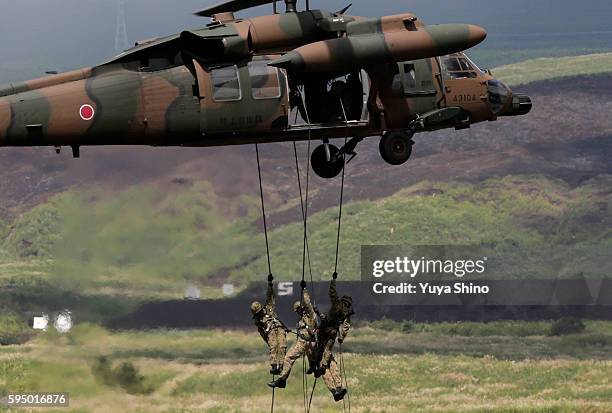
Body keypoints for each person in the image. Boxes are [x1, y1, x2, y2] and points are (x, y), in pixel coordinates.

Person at [268, 281, 317, 389]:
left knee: (288, 358)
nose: (297, 313)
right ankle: (314, 366)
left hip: (304, 341)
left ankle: (282, 380)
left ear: (300, 309)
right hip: (308, 342)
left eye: (297, 311)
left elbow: (307, 302)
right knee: (312, 356)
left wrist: (304, 289)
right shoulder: (303, 318)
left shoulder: (309, 313)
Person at [313, 273, 353, 401]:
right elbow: (345, 327)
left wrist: (333, 280)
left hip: (324, 330)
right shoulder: (346, 313)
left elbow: (332, 292)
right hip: (333, 333)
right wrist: (342, 337)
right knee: (329, 353)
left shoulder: (336, 304)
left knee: (321, 355)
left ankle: (322, 368)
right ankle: (338, 388)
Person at [251, 274, 287, 375]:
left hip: (279, 328)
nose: (260, 313)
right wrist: (266, 339)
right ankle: (274, 366)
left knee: (282, 346)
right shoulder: (258, 321)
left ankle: (281, 366)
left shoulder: (268, 308)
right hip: (269, 332)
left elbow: (271, 296)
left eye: (260, 311)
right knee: (273, 346)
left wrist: (270, 284)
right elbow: (261, 332)